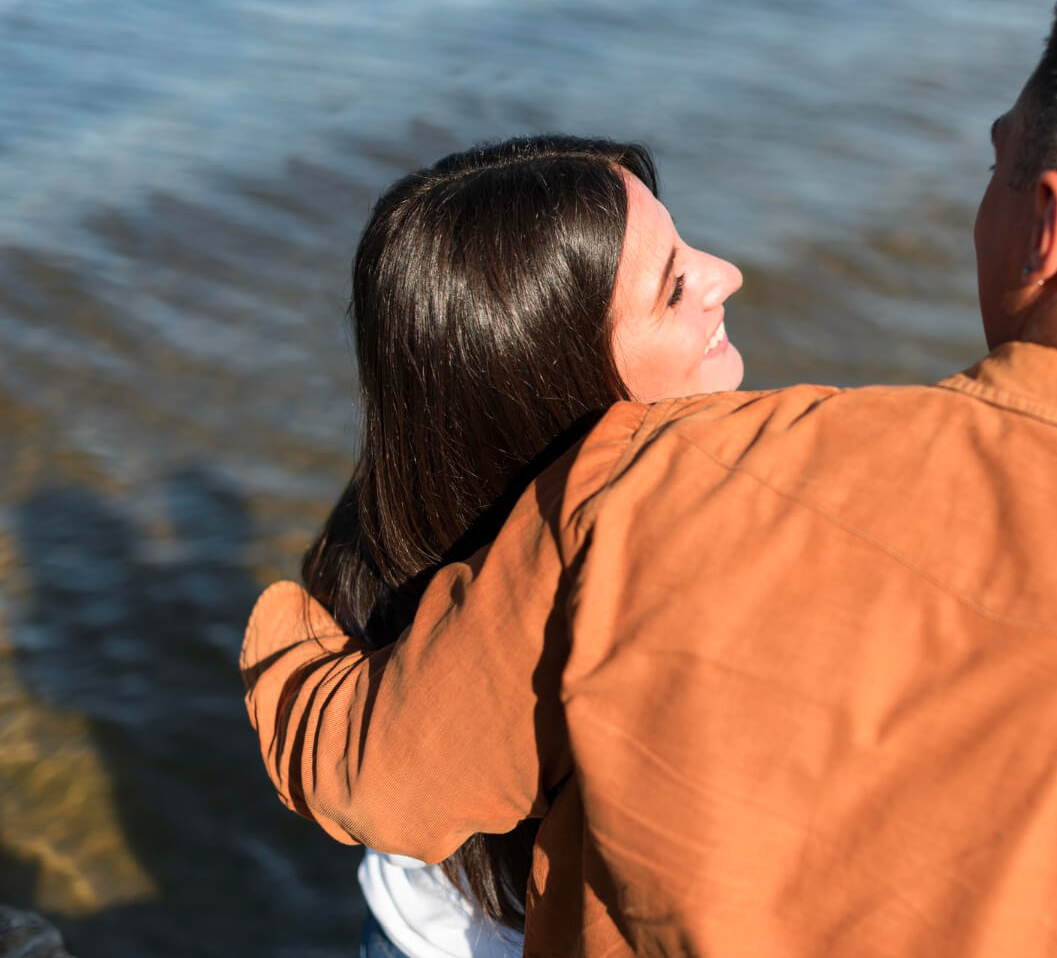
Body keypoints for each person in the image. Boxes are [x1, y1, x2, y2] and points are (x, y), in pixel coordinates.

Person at [243, 0, 1057, 956]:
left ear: (1042, 229)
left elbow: (380, 769)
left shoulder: (663, 476)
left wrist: (285, 625)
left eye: (998, 160)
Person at [266, 135, 744, 957]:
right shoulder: (654, 585)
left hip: (407, 926)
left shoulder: (383, 532)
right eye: (672, 288)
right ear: (565, 379)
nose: (725, 273)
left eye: (684, 243)